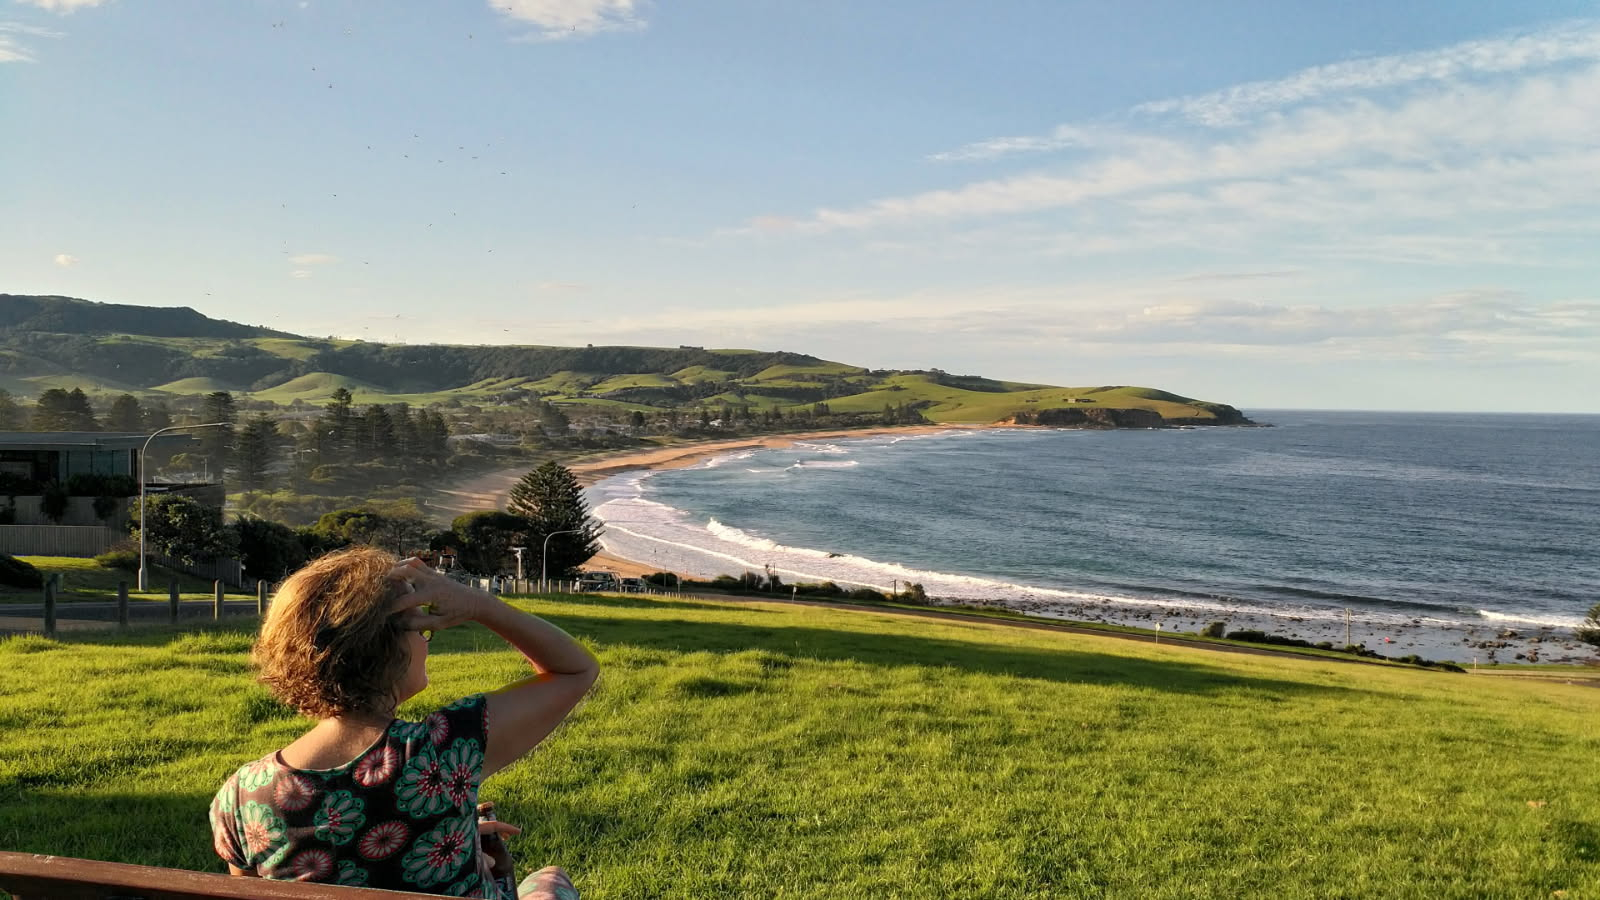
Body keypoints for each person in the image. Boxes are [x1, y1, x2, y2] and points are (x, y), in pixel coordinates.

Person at [208, 546, 599, 898]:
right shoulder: (445, 750)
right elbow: (575, 670)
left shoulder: (240, 796)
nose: (427, 641)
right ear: (389, 648)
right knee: (550, 880)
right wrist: (480, 605)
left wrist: (454, 839)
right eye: (421, 630)